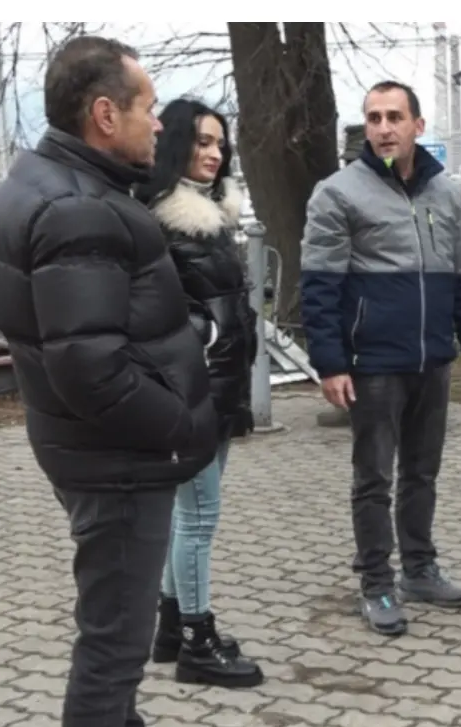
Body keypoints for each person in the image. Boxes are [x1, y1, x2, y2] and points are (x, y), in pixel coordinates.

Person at [0, 36, 220, 727]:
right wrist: (181, 425)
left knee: (114, 634)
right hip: (117, 460)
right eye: (147, 108)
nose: (159, 125)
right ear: (102, 114)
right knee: (113, 646)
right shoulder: (78, 207)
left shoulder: (48, 179)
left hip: (89, 450)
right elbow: (91, 369)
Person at [300, 80, 461, 637]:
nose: (383, 127)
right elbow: (319, 287)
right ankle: (376, 583)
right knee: (373, 478)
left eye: (394, 117)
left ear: (417, 125)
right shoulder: (338, 193)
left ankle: (420, 568)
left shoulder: (446, 194)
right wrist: (330, 363)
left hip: (432, 359)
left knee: (422, 473)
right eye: (374, 117)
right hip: (374, 362)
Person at [135, 98, 263, 689]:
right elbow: (155, 313)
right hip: (193, 392)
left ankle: (167, 627)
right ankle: (196, 640)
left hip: (221, 385)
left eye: (219, 144)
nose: (213, 154)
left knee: (191, 516)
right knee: (199, 518)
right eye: (201, 143)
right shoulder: (159, 218)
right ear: (174, 145)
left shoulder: (213, 215)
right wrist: (202, 338)